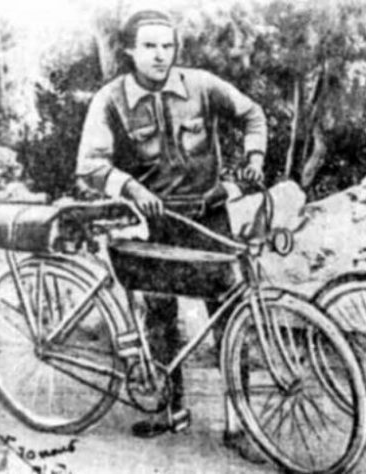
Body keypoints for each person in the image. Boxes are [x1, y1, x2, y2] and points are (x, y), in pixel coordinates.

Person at [75, 8, 267, 462]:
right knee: (160, 316)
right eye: (149, 46)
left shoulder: (201, 85)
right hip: (155, 223)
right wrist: (131, 188)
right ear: (130, 51)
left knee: (230, 317)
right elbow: (90, 164)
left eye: (167, 45)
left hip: (208, 219)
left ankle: (238, 423)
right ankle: (169, 409)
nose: (160, 55)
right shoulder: (111, 100)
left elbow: (253, 115)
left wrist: (254, 159)